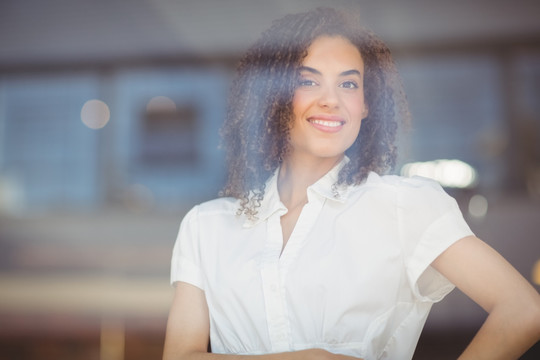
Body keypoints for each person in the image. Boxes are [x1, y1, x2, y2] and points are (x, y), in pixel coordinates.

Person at [163, 7, 540, 360]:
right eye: (309, 80)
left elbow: (524, 310)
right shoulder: (205, 227)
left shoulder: (405, 206)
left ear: (366, 104)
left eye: (348, 84)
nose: (331, 100)